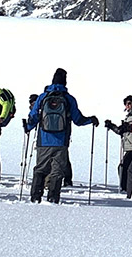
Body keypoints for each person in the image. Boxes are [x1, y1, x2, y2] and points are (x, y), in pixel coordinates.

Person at [26, 69, 97, 204]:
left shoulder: (42, 97)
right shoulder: (69, 98)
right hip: (61, 141)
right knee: (57, 171)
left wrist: (27, 127)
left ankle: (35, 196)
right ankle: (53, 198)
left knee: (40, 168)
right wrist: (91, 120)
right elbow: (78, 120)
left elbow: (34, 116)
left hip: (44, 140)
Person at [105, 95, 132, 193]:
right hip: (129, 145)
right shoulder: (129, 116)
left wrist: (127, 128)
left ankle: (126, 188)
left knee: (124, 167)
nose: (128, 106)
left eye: (130, 103)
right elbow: (120, 130)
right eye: (126, 104)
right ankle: (131, 187)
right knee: (128, 167)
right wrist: (111, 126)